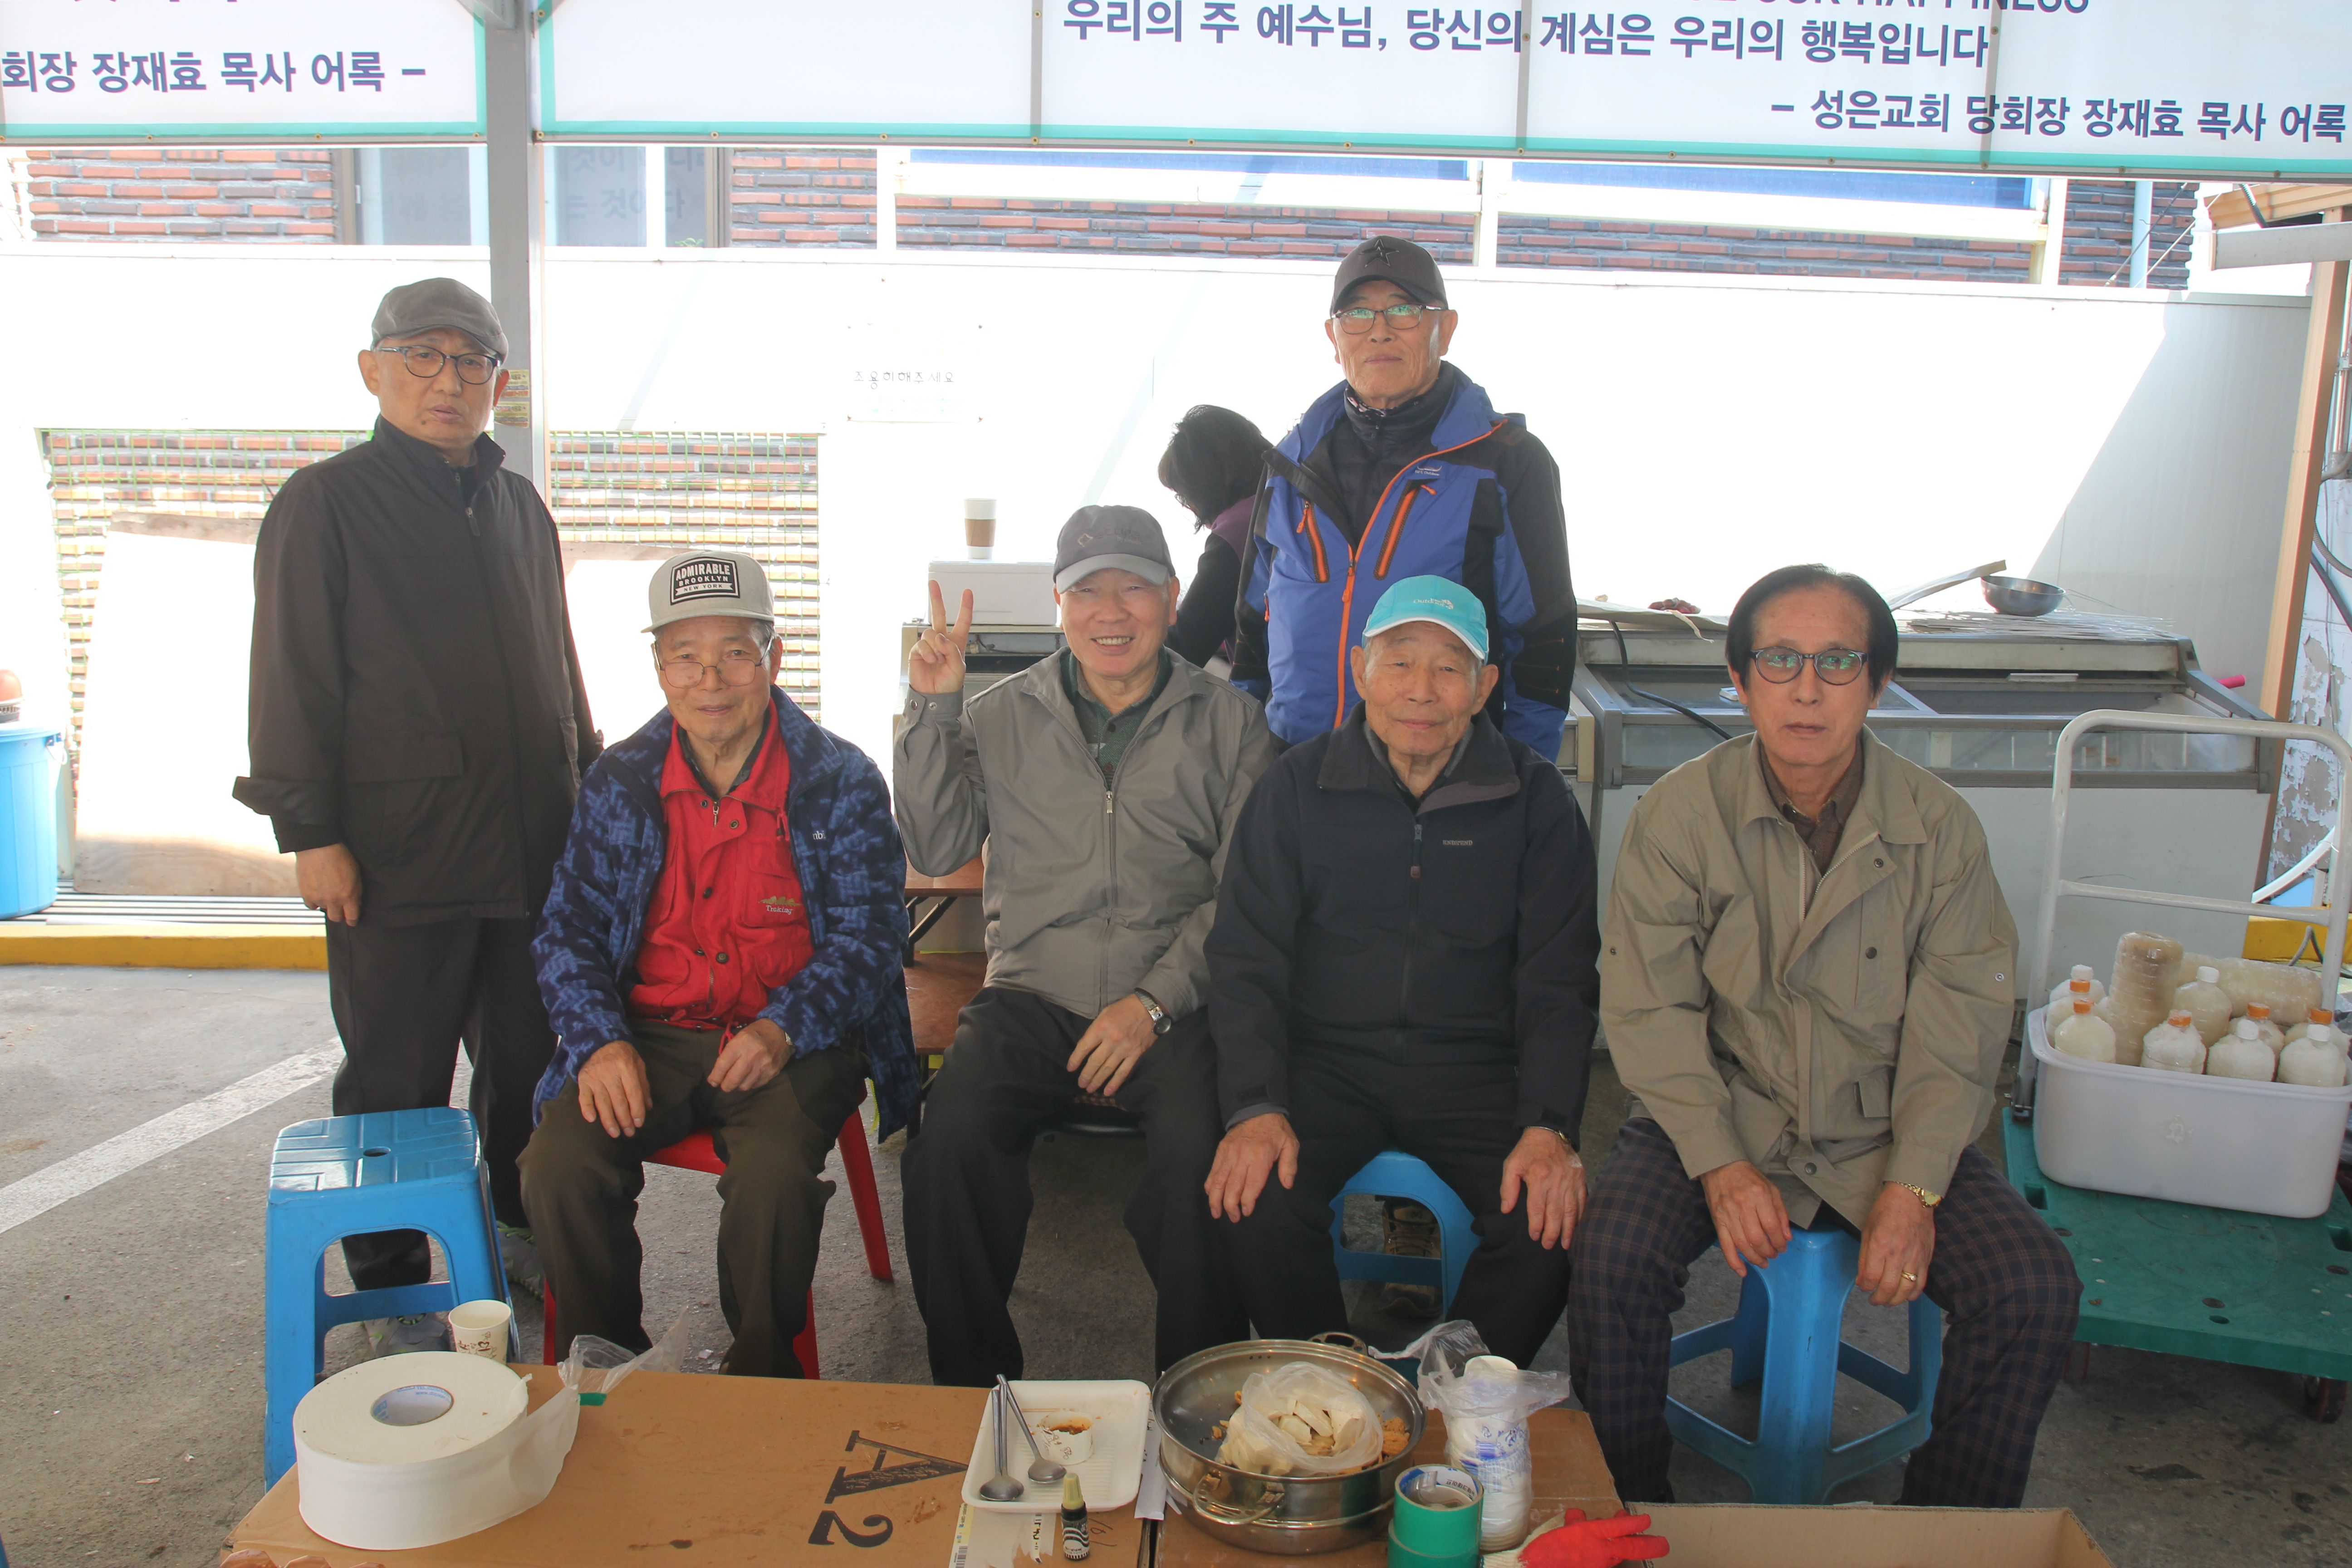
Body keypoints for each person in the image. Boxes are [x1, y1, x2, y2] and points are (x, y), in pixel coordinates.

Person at [1570, 564, 2080, 1507]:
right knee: (1610, 1259)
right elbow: (1648, 1009)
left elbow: (1961, 1029)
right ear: (1740, 678)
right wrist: (1720, 1164)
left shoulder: (1939, 829)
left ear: (1877, 683)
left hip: (1881, 1125)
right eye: (1780, 660)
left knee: (2032, 1286)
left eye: (1838, 662)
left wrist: (1913, 1185)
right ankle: (1625, 1517)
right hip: (1723, 1109)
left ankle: (1947, 1533)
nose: (1807, 688)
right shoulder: (1679, 814)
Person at [234, 277, 598, 1351]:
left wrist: (588, 796)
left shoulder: (519, 506)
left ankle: (516, 1223)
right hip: (399, 853)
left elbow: (560, 670)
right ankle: (392, 1276)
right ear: (374, 371)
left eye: (471, 360)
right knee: (397, 1072)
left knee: (528, 1058)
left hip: (531, 844)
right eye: (423, 356)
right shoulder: (325, 504)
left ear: (499, 380)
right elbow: (291, 676)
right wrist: (310, 832)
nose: (449, 381)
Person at [896, 505, 1278, 1387]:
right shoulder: (998, 715)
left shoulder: (1232, 725)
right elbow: (937, 845)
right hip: (1030, 996)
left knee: (1202, 1160)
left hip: (1172, 1002)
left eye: (1133, 588)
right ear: (1057, 604)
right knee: (947, 1149)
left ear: (1172, 599)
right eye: (1087, 590)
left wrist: (1153, 1004)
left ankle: (1197, 1400)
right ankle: (973, 1393)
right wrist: (932, 706)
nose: (1111, 611)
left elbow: (1245, 899)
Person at [520, 551, 916, 1376]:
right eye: (685, 657)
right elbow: (567, 928)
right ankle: (609, 1368)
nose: (711, 680)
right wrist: (599, 1041)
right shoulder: (621, 780)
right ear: (658, 667)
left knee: (773, 1180)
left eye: (735, 653)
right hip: (650, 1033)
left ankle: (759, 1380)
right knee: (559, 1165)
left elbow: (872, 939)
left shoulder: (839, 779)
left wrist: (783, 1029)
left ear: (773, 658)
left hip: (791, 1038)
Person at [1205, 574, 1598, 1367]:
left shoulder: (1534, 800)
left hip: (1474, 1069)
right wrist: (1254, 1103)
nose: (1421, 690)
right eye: (1399, 662)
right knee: (1253, 1198)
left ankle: (1457, 1389)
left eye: (1449, 667)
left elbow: (1559, 980)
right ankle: (1330, 1386)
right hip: (1325, 1062)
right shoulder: (1296, 786)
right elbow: (1246, 956)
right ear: (1360, 670)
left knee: (1550, 1222)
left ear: (1483, 687)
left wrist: (1548, 1124)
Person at [1232, 236, 1577, 761]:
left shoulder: (1506, 464)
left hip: (1438, 771)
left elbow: (1543, 638)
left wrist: (1526, 779)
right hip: (1294, 764)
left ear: (1447, 329)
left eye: (1403, 310)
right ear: (1333, 336)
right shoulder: (1289, 463)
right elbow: (1252, 619)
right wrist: (1243, 758)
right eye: (1357, 314)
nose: (1380, 331)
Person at [1159, 403, 1271, 670]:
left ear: (1202, 486)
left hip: (1274, 688)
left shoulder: (1238, 533)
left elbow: (1186, 647)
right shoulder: (1288, 504)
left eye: (1183, 494)